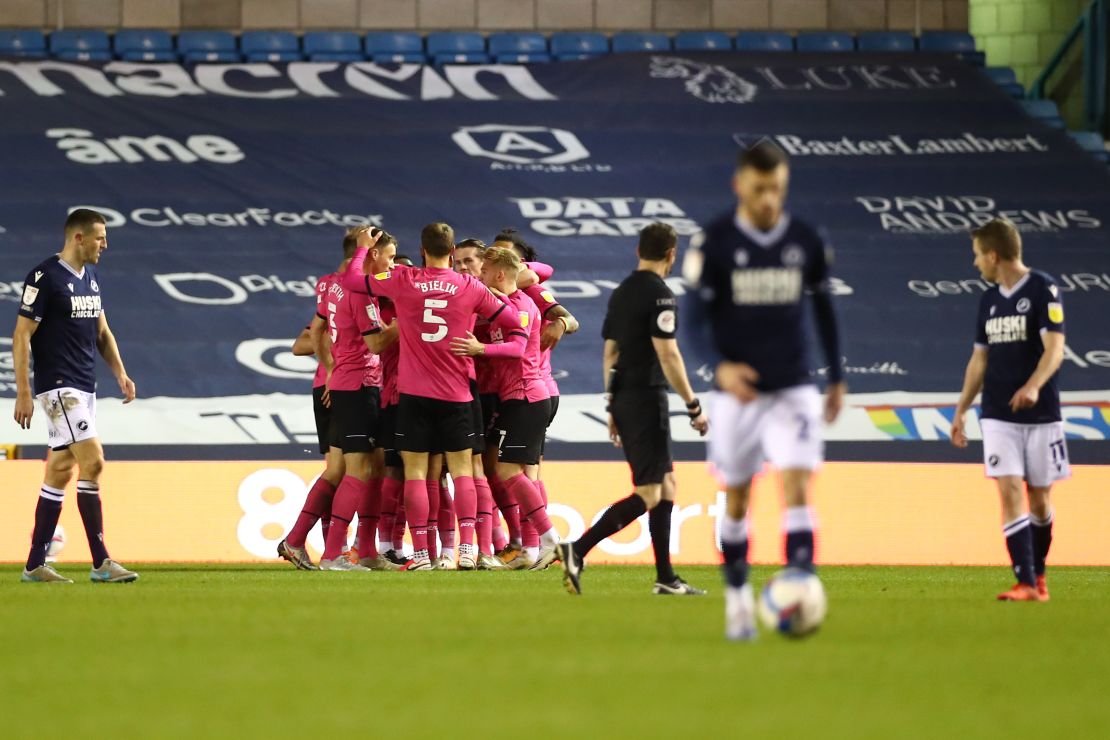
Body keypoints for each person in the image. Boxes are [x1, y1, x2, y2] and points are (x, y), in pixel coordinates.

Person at [680, 140, 846, 640]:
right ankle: (737, 600)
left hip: (794, 386)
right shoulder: (714, 241)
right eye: (759, 189)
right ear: (740, 186)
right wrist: (718, 369)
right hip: (738, 395)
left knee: (796, 485)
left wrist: (835, 376)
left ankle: (799, 587)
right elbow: (693, 321)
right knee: (736, 497)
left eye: (776, 189)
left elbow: (823, 309)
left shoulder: (806, 239)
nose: (769, 199)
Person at [344, 223, 525, 570]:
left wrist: (364, 248)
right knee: (462, 472)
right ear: (453, 249)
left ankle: (424, 555)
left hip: (413, 394)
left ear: (422, 250)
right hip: (457, 394)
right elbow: (516, 323)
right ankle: (468, 550)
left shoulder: (404, 279)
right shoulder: (470, 285)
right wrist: (483, 347)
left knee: (416, 474)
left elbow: (354, 281)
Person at [556, 223, 709, 595]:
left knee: (667, 484)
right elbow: (668, 353)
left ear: (638, 249)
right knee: (651, 492)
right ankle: (577, 549)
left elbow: (611, 352)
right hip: (646, 397)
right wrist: (693, 404)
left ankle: (666, 578)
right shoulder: (660, 295)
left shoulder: (621, 292)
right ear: (672, 254)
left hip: (625, 397)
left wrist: (612, 404)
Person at [12, 208, 138, 584]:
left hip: (86, 386)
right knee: (94, 462)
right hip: (59, 386)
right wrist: (24, 392)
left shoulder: (92, 277)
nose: (106, 244)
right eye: (100, 237)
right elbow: (21, 335)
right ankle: (101, 562)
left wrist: (120, 372)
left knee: (61, 470)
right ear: (78, 238)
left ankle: (35, 564)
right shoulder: (45, 277)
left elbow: (102, 331)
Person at [951, 219, 1066, 602]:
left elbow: (1055, 349)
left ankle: (1040, 574)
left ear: (993, 254)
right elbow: (978, 360)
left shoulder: (1042, 289)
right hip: (998, 413)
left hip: (1041, 413)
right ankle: (1026, 582)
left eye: (977, 256)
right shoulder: (988, 300)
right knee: (1010, 490)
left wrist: (1033, 386)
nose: (975, 264)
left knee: (1040, 500)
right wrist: (961, 409)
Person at [451, 247, 561, 570]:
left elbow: (516, 349)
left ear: (499, 274)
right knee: (517, 473)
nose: (480, 276)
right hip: (515, 398)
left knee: (509, 471)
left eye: (484, 270)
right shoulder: (502, 304)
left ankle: (549, 540)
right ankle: (531, 548)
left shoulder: (524, 307)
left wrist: (478, 348)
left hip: (527, 396)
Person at [278, 231, 356, 570]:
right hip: (340, 388)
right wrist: (335, 368)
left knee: (339, 472)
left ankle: (331, 547)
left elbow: (313, 335)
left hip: (337, 385)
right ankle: (308, 543)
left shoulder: (330, 286)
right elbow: (305, 341)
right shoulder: (349, 288)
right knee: (344, 471)